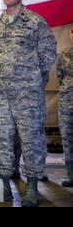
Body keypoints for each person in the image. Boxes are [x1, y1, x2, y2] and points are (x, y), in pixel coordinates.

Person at [0, 0, 57, 207]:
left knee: (31, 139)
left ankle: (32, 187)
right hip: (1, 93)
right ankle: (3, 187)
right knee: (0, 139)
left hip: (27, 93)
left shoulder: (35, 22)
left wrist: (32, 77)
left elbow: (48, 53)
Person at [56, 24, 73, 187]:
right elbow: (60, 76)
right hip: (67, 105)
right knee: (68, 139)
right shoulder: (64, 54)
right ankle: (70, 173)